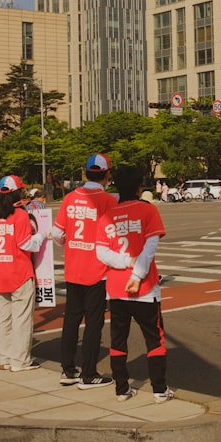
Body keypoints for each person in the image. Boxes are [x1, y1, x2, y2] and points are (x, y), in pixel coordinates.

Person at [95, 165, 175, 403]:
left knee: (118, 338)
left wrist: (123, 262)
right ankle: (159, 389)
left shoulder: (108, 216)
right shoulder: (147, 210)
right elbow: (149, 249)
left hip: (116, 288)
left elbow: (101, 253)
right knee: (154, 337)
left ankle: (122, 389)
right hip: (145, 289)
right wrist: (137, 275)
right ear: (140, 188)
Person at [49, 153, 117, 389]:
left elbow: (57, 233)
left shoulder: (70, 198)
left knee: (71, 320)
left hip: (73, 268)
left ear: (85, 172)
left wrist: (68, 243)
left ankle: (68, 370)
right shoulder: (108, 201)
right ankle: (89, 373)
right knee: (94, 323)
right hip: (97, 271)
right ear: (107, 174)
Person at [0, 175, 47, 372]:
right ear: (17, 193)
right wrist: (40, 236)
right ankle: (20, 360)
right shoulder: (20, 216)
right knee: (21, 318)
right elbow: (25, 244)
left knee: (3, 317)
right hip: (18, 272)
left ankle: (4, 357)